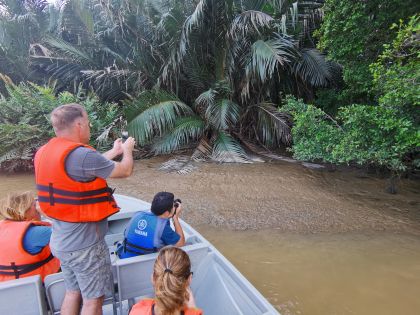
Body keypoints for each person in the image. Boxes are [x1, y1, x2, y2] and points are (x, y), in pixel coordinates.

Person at [34, 103, 135, 315]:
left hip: (61, 241)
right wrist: (126, 151)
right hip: (85, 246)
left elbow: (85, 168)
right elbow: (124, 171)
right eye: (88, 123)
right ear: (79, 124)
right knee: (93, 301)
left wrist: (114, 151)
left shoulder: (44, 151)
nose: (89, 127)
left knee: (73, 292)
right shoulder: (82, 155)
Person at [0, 191, 60, 282]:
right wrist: (47, 214)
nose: (37, 208)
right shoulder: (37, 232)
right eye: (34, 205)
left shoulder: (3, 227)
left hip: (7, 286)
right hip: (38, 285)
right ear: (24, 210)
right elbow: (69, 233)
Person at [129, 246, 202, 315]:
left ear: (153, 279)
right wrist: (192, 309)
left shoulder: (137, 310)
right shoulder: (194, 313)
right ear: (189, 280)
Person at [117, 192, 185, 259]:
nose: (174, 208)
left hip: (124, 258)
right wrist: (175, 218)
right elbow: (181, 243)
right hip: (145, 264)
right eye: (173, 206)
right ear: (167, 213)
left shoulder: (137, 215)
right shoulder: (163, 227)